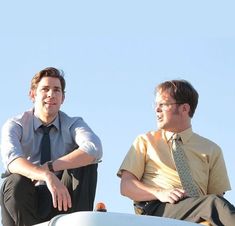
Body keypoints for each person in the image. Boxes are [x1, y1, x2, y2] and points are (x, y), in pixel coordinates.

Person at [117, 79, 235, 226]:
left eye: (163, 104)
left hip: (197, 211)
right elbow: (126, 186)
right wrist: (159, 193)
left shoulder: (212, 149)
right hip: (157, 210)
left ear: (184, 109)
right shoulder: (145, 141)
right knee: (214, 204)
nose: (157, 109)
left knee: (214, 206)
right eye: (156, 104)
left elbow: (217, 198)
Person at [0, 67, 103, 226]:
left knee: (87, 163)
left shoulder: (73, 124)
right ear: (32, 94)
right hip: (26, 201)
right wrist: (45, 175)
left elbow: (94, 148)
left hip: (61, 198)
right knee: (15, 180)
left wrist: (51, 168)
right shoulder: (15, 125)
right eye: (45, 89)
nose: (51, 94)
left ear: (63, 98)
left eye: (56, 90)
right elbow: (12, 160)